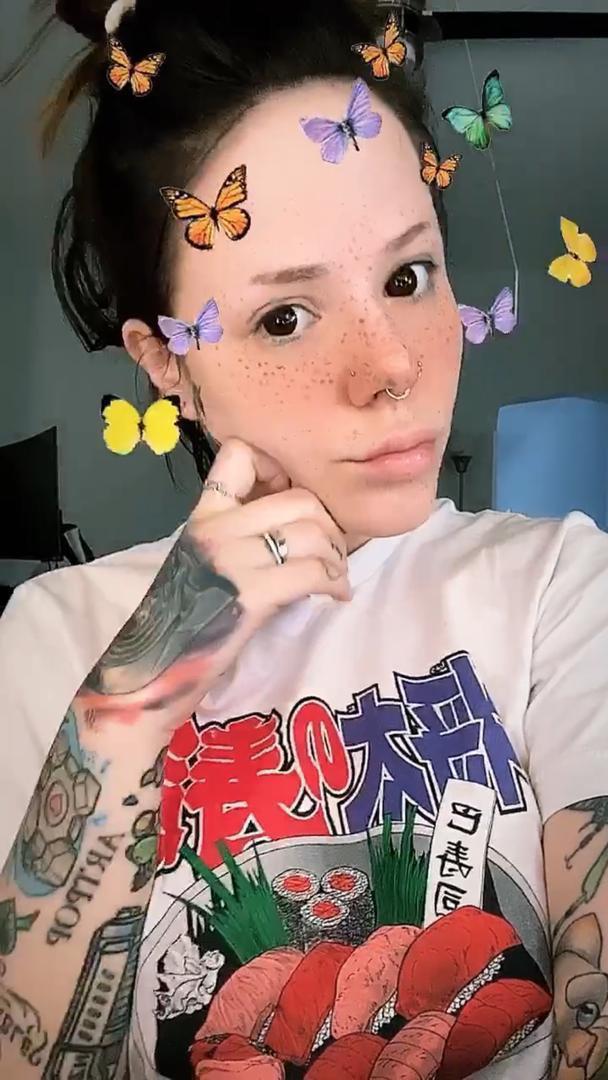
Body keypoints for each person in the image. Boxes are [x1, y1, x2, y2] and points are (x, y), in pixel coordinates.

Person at [0, 0, 607, 1077]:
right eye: (284, 316)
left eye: (408, 277)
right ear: (167, 362)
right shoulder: (60, 636)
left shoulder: (559, 583)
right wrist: (150, 673)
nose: (392, 367)